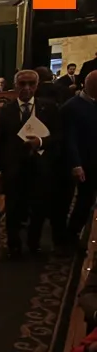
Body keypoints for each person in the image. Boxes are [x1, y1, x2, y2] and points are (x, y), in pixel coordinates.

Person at [62, 71, 97, 241]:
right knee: (84, 199)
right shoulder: (71, 107)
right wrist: (76, 164)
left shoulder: (93, 103)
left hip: (94, 158)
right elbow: (69, 139)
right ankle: (71, 233)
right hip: (84, 162)